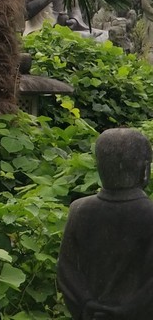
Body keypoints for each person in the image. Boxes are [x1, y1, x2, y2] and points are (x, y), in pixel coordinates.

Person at [58, 128, 153, 320]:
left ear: (99, 166)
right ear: (145, 170)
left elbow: (66, 272)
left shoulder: (79, 210)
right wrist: (127, 311)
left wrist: (88, 306)